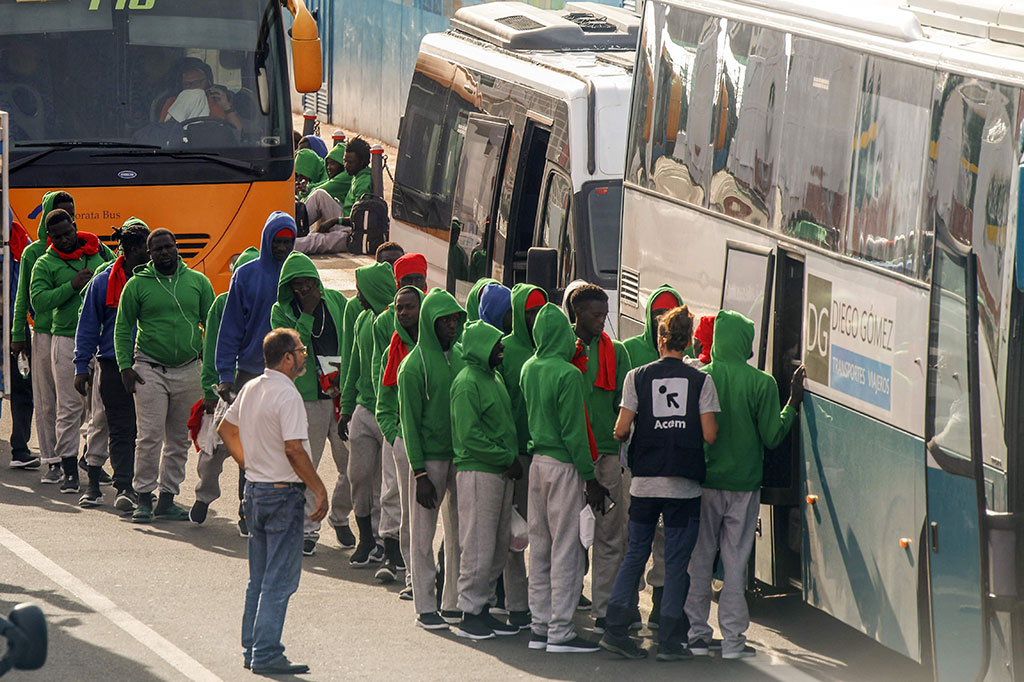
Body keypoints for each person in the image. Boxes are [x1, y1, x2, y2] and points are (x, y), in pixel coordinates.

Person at [599, 306, 719, 662]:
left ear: (661, 338)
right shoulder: (702, 381)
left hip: (644, 485)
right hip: (684, 487)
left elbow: (621, 429)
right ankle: (669, 640)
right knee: (678, 561)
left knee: (635, 554)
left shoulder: (636, 376)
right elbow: (711, 435)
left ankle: (617, 630)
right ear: (688, 340)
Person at [684, 310, 805, 660]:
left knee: (700, 559)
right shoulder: (762, 383)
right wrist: (792, 405)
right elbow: (772, 437)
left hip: (704, 482)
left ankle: (697, 635)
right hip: (744, 485)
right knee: (736, 563)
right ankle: (734, 642)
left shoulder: (699, 377)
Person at [218, 328, 328, 676]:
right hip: (283, 494)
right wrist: (319, 488)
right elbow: (294, 449)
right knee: (279, 581)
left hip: (256, 490)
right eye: (300, 350)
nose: (304, 355)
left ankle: (253, 648)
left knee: (259, 578)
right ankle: (265, 651)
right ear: (286, 358)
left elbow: (225, 429)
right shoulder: (288, 395)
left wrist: (248, 462)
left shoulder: (252, 387)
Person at [519, 303, 609, 653]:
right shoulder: (568, 375)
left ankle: (540, 625)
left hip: (538, 462)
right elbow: (574, 432)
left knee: (539, 546)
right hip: (565, 467)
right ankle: (561, 629)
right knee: (567, 549)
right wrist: (590, 476)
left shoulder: (529, 368)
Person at [115, 229, 215, 523]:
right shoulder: (136, 285)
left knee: (179, 440)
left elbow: (212, 326)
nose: (163, 252)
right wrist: (124, 366)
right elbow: (122, 328)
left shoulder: (198, 282)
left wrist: (209, 371)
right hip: (149, 370)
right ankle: (144, 498)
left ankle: (167, 499)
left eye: (168, 247)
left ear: (176, 248)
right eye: (157, 249)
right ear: (149, 254)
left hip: (189, 369)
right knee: (149, 437)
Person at [216, 212, 296, 535]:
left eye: (288, 242)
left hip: (290, 375)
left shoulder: (299, 273)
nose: (282, 247)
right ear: (267, 240)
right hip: (251, 372)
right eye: (277, 241)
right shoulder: (246, 275)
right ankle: (247, 508)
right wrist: (224, 372)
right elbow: (231, 326)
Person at [271, 252, 353, 556]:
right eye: (298, 287)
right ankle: (308, 528)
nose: (306, 290)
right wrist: (305, 312)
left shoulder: (336, 301)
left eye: (310, 284)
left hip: (340, 393)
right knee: (308, 466)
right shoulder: (281, 312)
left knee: (353, 467)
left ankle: (340, 515)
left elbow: (353, 340)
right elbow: (292, 350)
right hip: (308, 399)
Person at [30, 209, 114, 493]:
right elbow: (38, 302)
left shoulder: (99, 252)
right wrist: (71, 285)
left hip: (101, 341)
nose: (64, 240)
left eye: (68, 233)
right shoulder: (44, 263)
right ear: (49, 237)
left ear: (75, 226)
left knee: (100, 410)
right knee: (69, 408)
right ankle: (68, 472)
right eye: (57, 237)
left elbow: (119, 276)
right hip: (66, 339)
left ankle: (92, 463)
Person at [397, 287, 465, 631]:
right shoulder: (412, 367)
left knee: (458, 534)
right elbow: (408, 423)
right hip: (429, 464)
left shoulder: (461, 357)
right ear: (430, 323)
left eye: (455, 319)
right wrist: (419, 472)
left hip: (460, 458)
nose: (452, 326)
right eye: (445, 321)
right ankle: (425, 606)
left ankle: (452, 601)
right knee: (423, 536)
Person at [565, 283, 630, 633]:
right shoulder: (562, 349)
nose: (602, 321)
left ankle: (604, 610)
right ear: (577, 314)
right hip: (570, 456)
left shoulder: (616, 352)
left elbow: (626, 399)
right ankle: (567, 600)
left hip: (606, 454)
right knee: (569, 536)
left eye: (605, 314)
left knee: (609, 535)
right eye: (595, 315)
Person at [450, 320, 522, 639]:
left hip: (499, 471)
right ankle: (470, 613)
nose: (502, 347)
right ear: (481, 348)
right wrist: (506, 457)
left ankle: (483, 606)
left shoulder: (491, 377)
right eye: (496, 344)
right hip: (480, 471)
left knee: (496, 544)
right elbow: (469, 436)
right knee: (478, 544)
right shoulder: (467, 382)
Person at [74, 218, 151, 509]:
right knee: (107, 423)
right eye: (147, 246)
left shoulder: (154, 280)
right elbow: (88, 326)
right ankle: (96, 484)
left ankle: (130, 486)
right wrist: (81, 366)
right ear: (131, 249)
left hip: (145, 364)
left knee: (139, 430)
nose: (152, 252)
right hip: (110, 365)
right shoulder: (104, 281)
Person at [620, 283, 685, 623]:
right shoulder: (629, 352)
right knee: (632, 538)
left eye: (668, 313)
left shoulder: (684, 360)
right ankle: (626, 607)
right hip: (637, 464)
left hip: (669, 465)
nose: (662, 320)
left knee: (664, 539)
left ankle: (660, 607)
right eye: (657, 313)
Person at [188, 247, 259, 525]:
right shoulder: (222, 303)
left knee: (251, 455)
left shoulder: (271, 300)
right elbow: (213, 348)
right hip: (227, 388)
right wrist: (210, 389)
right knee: (214, 451)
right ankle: (203, 496)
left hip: (257, 388)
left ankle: (246, 510)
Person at [372, 253, 427, 584]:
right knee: (394, 494)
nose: (405, 309)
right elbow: (384, 391)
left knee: (422, 507)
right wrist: (393, 433)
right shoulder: (387, 332)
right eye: (404, 288)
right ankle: (393, 559)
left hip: (429, 437)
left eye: (416, 284)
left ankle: (420, 570)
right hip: (400, 436)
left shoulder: (435, 331)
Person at [12, 191, 74, 480]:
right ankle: (53, 461)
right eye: (60, 212)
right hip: (44, 335)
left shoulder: (86, 247)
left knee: (75, 402)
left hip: (76, 336)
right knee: (47, 401)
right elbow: (22, 297)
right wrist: (17, 334)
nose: (67, 220)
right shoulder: (33, 253)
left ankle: (77, 456)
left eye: (71, 214)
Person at [339, 262, 396, 565]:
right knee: (358, 476)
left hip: (390, 414)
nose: (358, 296)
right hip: (364, 409)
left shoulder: (397, 322)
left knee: (387, 486)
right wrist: (346, 409)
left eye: (361, 290)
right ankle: (366, 538)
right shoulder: (362, 320)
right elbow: (353, 367)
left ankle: (389, 545)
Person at [498, 283, 547, 623]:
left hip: (546, 454)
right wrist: (507, 453)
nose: (533, 318)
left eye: (538, 311)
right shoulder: (504, 350)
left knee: (543, 532)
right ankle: (513, 602)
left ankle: (544, 603)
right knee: (512, 533)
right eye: (527, 312)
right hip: (515, 457)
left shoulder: (552, 347)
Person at [6, 208, 35, 470]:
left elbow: (27, 285)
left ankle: (20, 448)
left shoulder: (20, 242)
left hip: (15, 327)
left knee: (23, 386)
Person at [293, 148, 351, 256]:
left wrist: (335, 221)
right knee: (315, 239)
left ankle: (288, 239)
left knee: (315, 240)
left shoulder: (347, 176)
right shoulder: (353, 176)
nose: (329, 167)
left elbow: (324, 187)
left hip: (349, 231)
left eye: (350, 162)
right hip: (344, 225)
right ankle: (292, 229)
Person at [159, 57, 242, 130]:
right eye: (188, 84)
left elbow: (238, 131)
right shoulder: (172, 102)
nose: (194, 87)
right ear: (181, 86)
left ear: (208, 82)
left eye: (199, 82)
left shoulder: (218, 100)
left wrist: (226, 106)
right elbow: (164, 134)